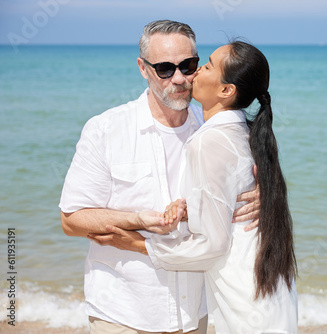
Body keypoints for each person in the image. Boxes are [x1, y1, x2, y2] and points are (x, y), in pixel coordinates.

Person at [59, 20, 260, 334]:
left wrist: (260, 196)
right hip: (122, 315)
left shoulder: (216, 131)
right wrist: (138, 220)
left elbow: (250, 184)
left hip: (199, 312)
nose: (179, 79)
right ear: (143, 68)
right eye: (165, 68)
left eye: (189, 65)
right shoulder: (105, 129)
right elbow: (72, 219)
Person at [93, 41, 299, 333]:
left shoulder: (209, 141)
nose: (197, 70)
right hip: (270, 285)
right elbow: (232, 200)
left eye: (208, 65)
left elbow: (212, 244)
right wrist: (193, 209)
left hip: (244, 292)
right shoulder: (246, 131)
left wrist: (140, 245)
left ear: (226, 91)